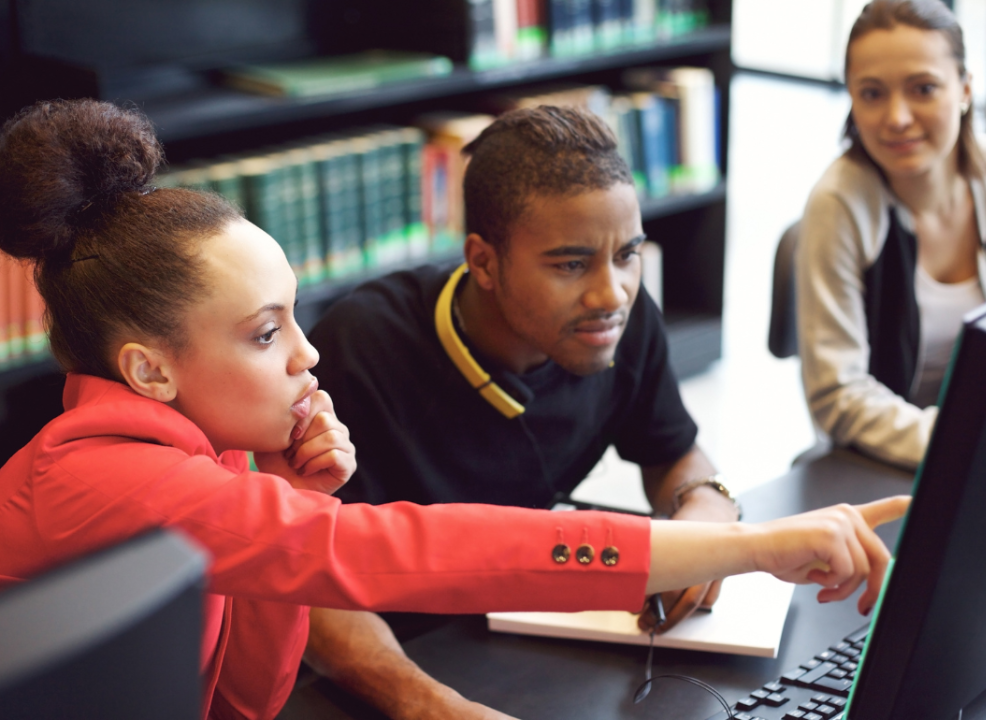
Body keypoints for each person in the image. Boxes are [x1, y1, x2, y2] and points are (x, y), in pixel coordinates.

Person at [0, 99, 907, 720]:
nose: (308, 353)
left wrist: (293, 496)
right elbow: (409, 551)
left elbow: (242, 702)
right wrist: (752, 548)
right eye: (266, 332)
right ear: (150, 372)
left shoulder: (215, 462)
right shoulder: (103, 476)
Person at [302, 106, 808, 719]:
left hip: (528, 630)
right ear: (483, 262)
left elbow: (672, 450)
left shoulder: (619, 317)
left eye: (628, 254)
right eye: (571, 264)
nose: (611, 293)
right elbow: (310, 584)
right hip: (400, 652)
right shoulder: (362, 348)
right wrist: (427, 705)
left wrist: (707, 510)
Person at [796, 0, 986, 470]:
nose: (896, 117)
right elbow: (838, 395)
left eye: (923, 89)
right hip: (888, 465)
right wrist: (962, 442)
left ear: (966, 89)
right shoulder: (839, 205)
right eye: (872, 93)